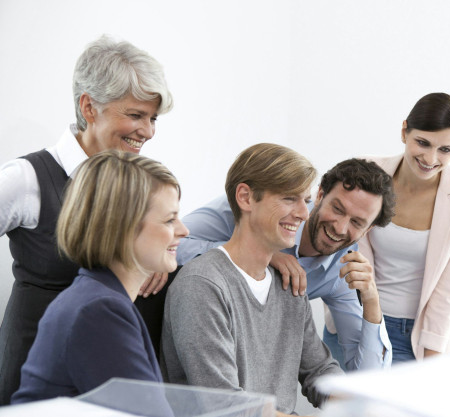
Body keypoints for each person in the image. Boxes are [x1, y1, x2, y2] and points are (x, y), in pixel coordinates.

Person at [0, 35, 173, 404]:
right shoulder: (25, 178)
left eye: (153, 118)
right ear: (89, 107)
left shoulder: (139, 183)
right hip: (36, 376)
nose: (148, 131)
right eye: (135, 115)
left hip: (104, 380)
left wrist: (157, 256)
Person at [161, 143, 344, 415]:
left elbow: (319, 370)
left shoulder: (289, 285)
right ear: (245, 197)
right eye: (289, 198)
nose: (304, 214)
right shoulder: (202, 284)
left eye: (304, 201)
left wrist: (356, 404)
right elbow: (225, 406)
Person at [176, 157, 396, 371]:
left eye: (357, 222)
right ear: (320, 195)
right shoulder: (255, 205)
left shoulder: (343, 270)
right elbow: (172, 244)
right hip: (199, 331)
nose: (340, 228)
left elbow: (367, 375)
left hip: (258, 362)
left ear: (368, 230)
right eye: (337, 209)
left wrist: (371, 301)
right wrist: (262, 252)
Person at [11, 150, 188, 403]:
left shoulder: (98, 299)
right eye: (170, 220)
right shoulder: (99, 311)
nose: (184, 230)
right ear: (123, 228)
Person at [357, 92, 450, 363]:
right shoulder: (367, 171)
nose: (430, 158)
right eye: (423, 143)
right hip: (357, 321)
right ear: (404, 131)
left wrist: (430, 360)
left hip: (416, 337)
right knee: (345, 407)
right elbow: (320, 219)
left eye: (445, 149)